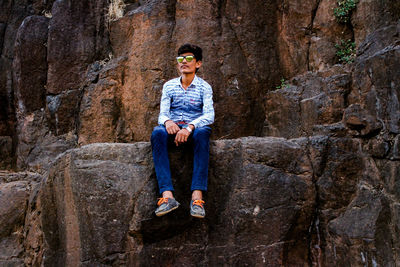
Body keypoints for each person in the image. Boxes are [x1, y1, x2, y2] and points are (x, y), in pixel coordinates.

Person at [151, 43, 214, 218]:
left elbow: (209, 115)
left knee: (203, 132)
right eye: (180, 59)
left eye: (188, 59)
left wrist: (189, 127)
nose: (183, 62)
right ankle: (167, 196)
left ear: (198, 64)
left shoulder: (204, 87)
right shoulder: (169, 86)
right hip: (172, 129)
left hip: (193, 131)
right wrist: (169, 122)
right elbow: (162, 114)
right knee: (158, 133)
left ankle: (197, 198)